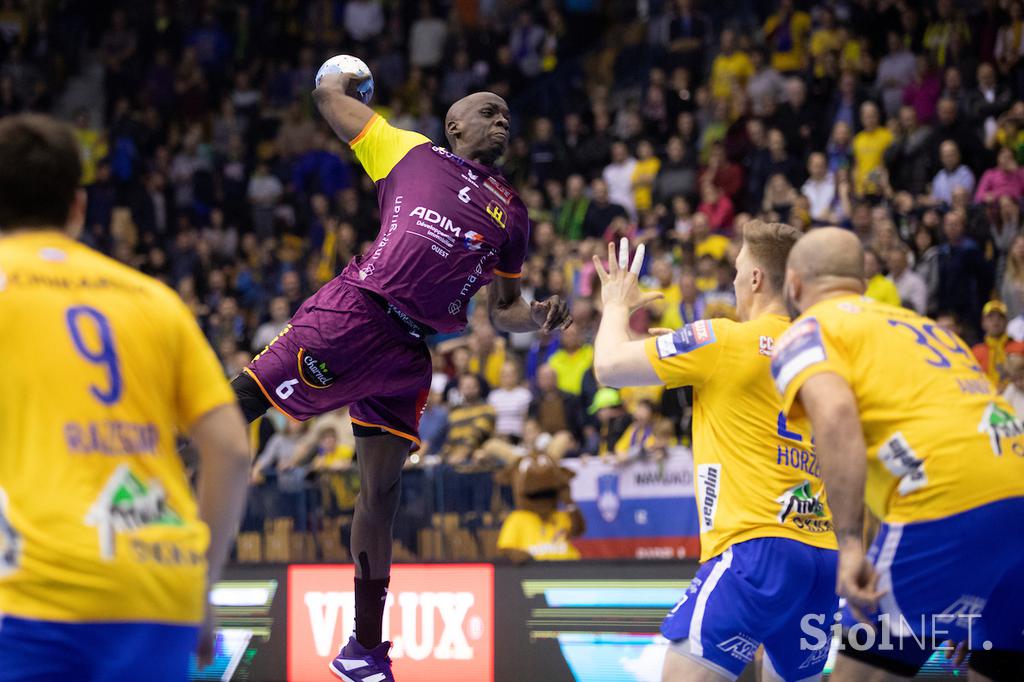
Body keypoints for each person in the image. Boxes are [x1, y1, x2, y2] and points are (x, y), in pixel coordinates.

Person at [231, 73, 572, 681]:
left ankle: (363, 649)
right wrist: (336, 79)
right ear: (454, 126)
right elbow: (328, 102)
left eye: (507, 116)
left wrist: (537, 319)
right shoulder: (408, 150)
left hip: (409, 355)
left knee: (382, 494)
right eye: (488, 111)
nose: (502, 120)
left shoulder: (512, 214)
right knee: (239, 405)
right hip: (355, 313)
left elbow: (502, 310)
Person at [0, 114, 251, 680]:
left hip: (30, 590)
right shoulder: (153, 299)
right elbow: (231, 451)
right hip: (157, 583)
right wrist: (202, 589)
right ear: (78, 206)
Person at [772, 227, 1024, 681]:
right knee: (995, 664)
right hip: (1015, 494)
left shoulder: (808, 329)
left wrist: (849, 546)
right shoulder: (926, 327)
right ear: (863, 284)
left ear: (793, 283)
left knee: (862, 672)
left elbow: (834, 416)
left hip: (945, 501)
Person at [591, 223, 838, 681]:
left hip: (754, 548)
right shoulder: (821, 353)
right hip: (822, 556)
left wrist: (615, 306)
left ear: (758, 279)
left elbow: (607, 366)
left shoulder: (722, 339)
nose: (734, 280)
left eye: (738, 269)